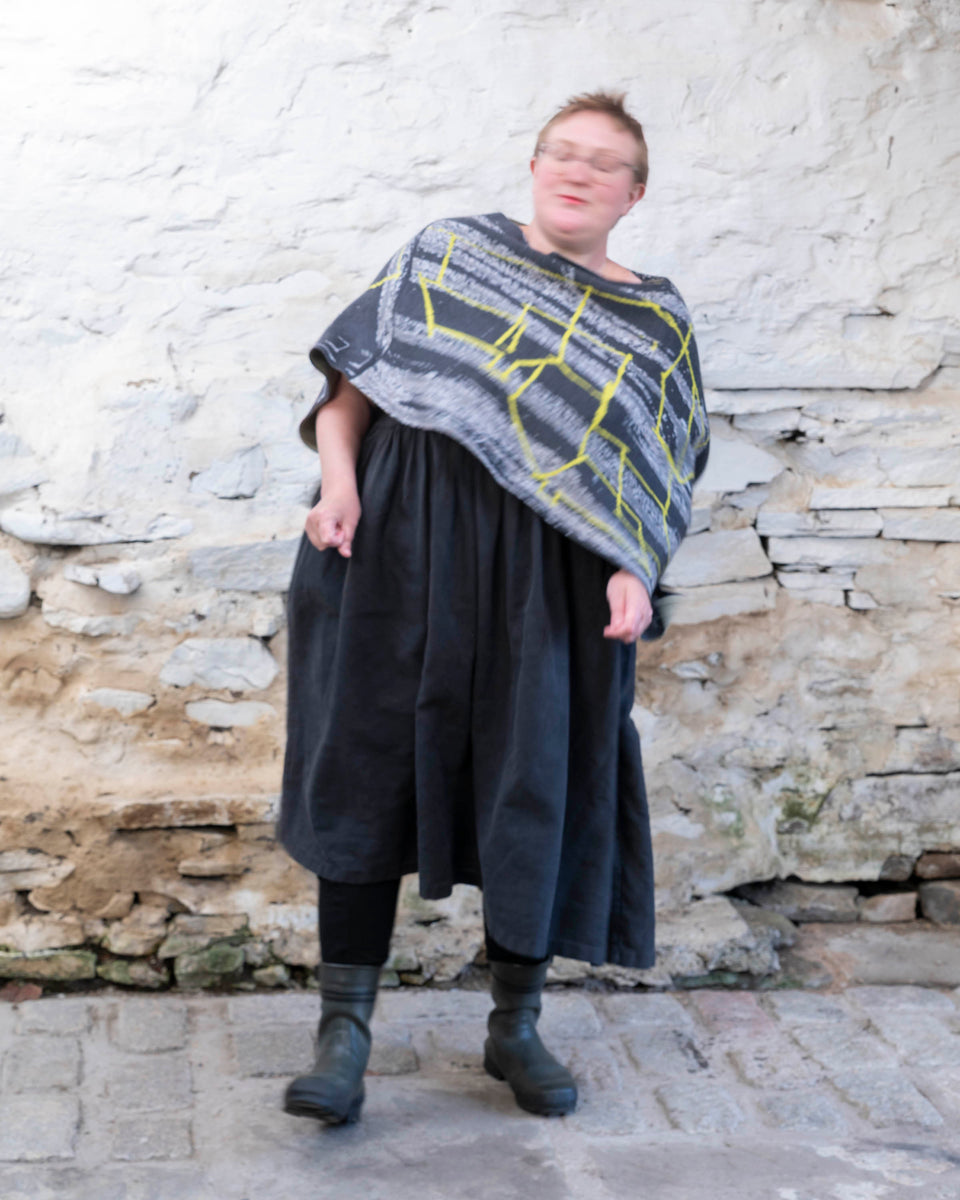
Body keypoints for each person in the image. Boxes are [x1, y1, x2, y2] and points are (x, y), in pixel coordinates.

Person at [279, 91, 709, 1125]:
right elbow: (349, 392)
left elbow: (655, 471)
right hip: (397, 550)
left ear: (634, 193)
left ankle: (515, 1024)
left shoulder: (654, 322)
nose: (579, 171)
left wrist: (632, 567)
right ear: (534, 166)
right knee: (365, 769)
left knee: (534, 781)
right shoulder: (448, 255)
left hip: (548, 581)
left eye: (604, 162)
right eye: (563, 152)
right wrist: (338, 486)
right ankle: (344, 1033)